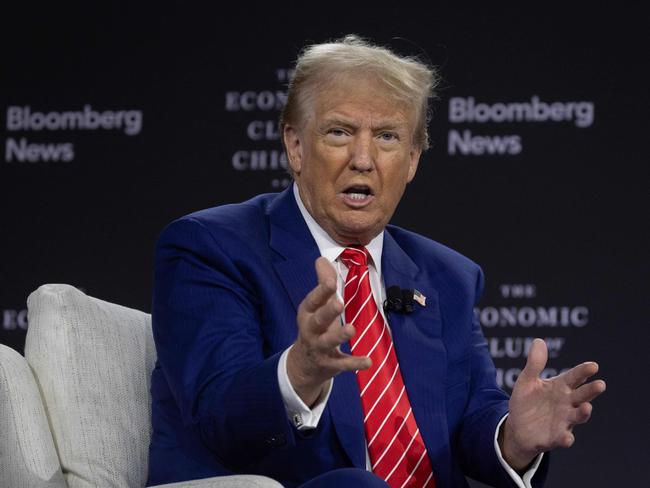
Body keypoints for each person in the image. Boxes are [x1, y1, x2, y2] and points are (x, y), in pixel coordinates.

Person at [147, 35, 605, 488]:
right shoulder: (211, 247)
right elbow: (217, 415)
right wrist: (298, 374)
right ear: (296, 147)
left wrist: (514, 440)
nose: (363, 159)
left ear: (411, 160)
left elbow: (472, 418)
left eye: (386, 137)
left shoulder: (447, 277)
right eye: (339, 132)